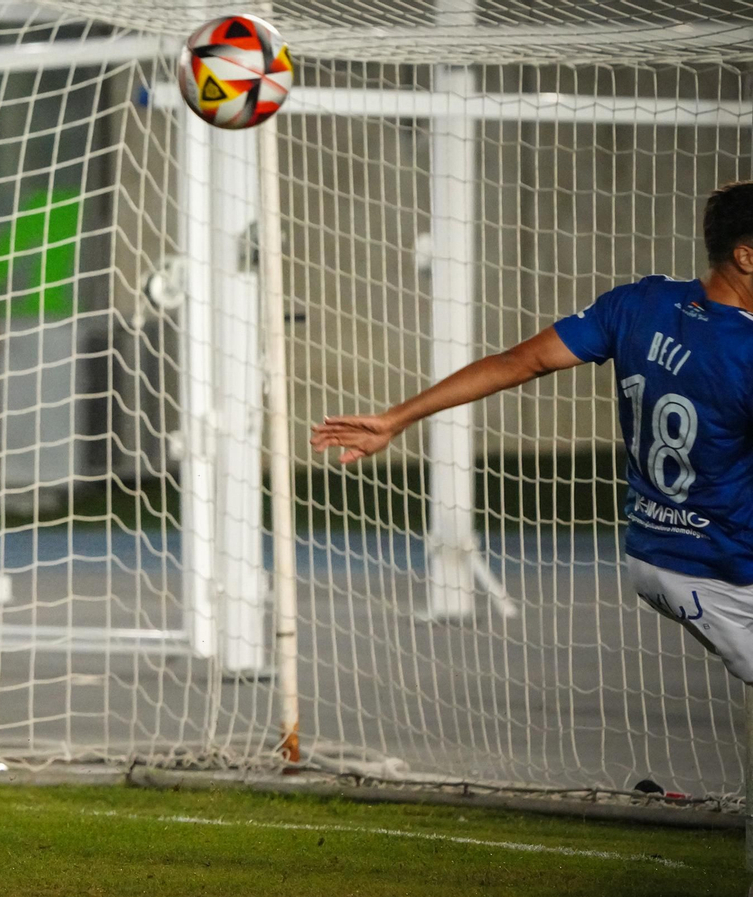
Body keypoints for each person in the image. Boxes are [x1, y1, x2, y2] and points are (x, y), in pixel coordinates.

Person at [311, 180, 753, 684]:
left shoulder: (639, 302)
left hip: (652, 553)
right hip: (721, 569)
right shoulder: (743, 349)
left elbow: (519, 361)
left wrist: (396, 418)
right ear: (745, 257)